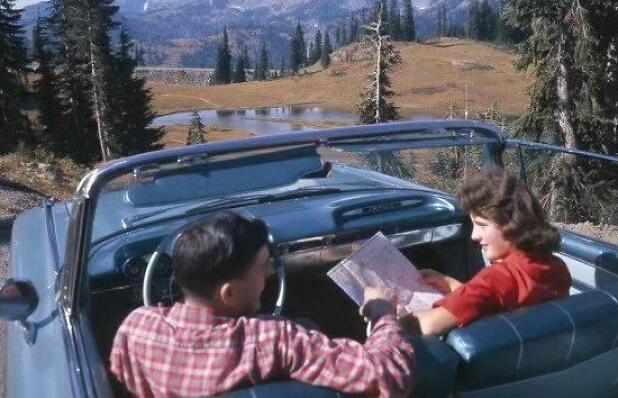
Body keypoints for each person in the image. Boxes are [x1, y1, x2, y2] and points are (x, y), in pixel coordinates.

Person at [110, 213, 415, 398]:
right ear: (228, 293)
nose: (271, 272)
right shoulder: (274, 340)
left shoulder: (136, 327)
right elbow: (390, 376)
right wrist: (382, 313)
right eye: (263, 267)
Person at [403, 169, 571, 336]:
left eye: (482, 225)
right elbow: (498, 299)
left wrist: (383, 311)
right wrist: (450, 284)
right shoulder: (557, 267)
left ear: (511, 223)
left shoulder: (498, 277)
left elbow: (427, 325)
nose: (474, 235)